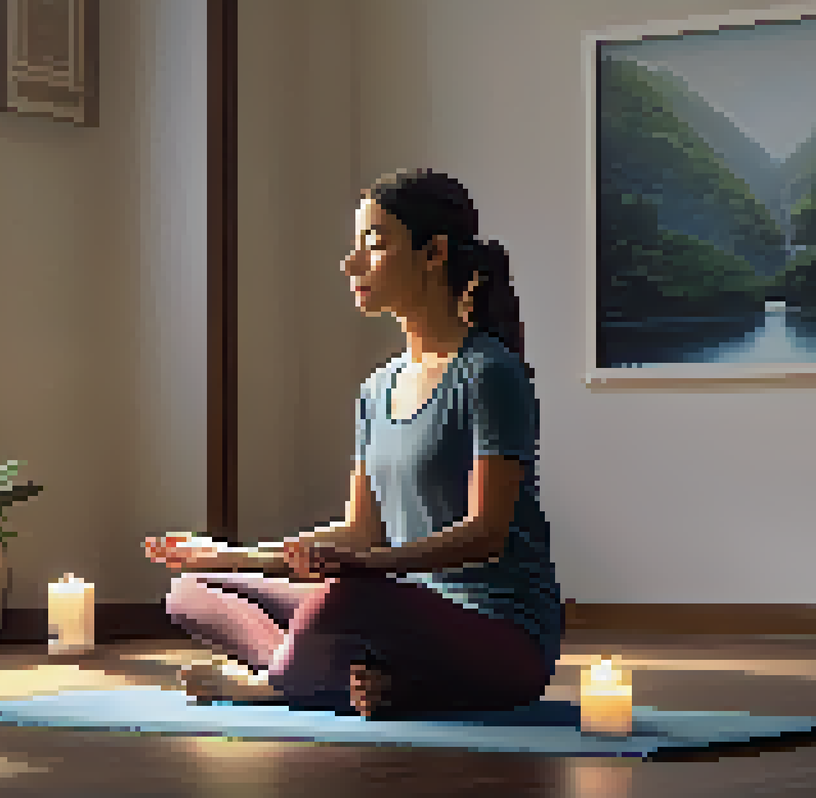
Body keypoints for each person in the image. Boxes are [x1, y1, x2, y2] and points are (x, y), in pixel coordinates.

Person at [143, 168, 562, 718]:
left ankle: (283, 682)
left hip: (497, 634)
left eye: (375, 244)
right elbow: (362, 530)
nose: (352, 264)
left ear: (433, 253)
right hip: (392, 608)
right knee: (194, 589)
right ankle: (360, 685)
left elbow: (484, 537)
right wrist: (231, 554)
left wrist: (367, 567)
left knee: (345, 598)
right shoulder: (377, 389)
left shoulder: (489, 374)